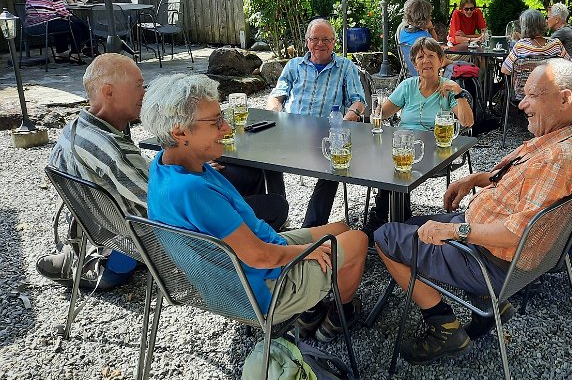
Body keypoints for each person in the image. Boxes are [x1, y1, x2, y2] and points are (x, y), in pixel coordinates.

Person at [374, 58, 572, 364]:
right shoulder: (564, 141)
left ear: (564, 98)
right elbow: (515, 179)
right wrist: (473, 179)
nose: (521, 104)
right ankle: (488, 306)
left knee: (385, 235)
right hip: (501, 250)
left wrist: (454, 231)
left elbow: (517, 233)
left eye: (532, 95)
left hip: (491, 262)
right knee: (413, 222)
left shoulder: (559, 157)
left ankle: (444, 327)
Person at [143, 74, 368, 341]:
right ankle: (339, 316)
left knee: (340, 228)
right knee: (358, 239)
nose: (226, 128)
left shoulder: (165, 165)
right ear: (179, 132)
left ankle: (313, 306)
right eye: (216, 122)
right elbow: (260, 257)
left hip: (246, 264)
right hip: (262, 289)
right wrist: (305, 252)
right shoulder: (191, 191)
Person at [39, 54, 290, 290]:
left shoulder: (75, 130)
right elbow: (160, 199)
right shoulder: (112, 152)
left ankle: (250, 238)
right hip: (150, 240)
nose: (144, 93)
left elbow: (136, 181)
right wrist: (194, 179)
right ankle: (256, 255)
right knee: (275, 206)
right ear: (108, 92)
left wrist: (192, 166)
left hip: (105, 231)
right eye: (139, 85)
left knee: (242, 174)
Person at [363, 37, 474, 237]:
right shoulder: (408, 86)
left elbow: (467, 122)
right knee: (390, 163)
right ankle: (400, 221)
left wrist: (458, 94)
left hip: (434, 150)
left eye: (431, 55)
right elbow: (382, 114)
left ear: (441, 61)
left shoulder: (448, 88)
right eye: (420, 57)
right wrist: (376, 107)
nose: (426, 61)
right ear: (414, 63)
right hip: (404, 145)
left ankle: (381, 219)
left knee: (396, 166)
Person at [266, 18, 366, 228]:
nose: (320, 44)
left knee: (337, 165)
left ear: (334, 42)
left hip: (327, 134)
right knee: (263, 157)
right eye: (315, 39)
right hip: (291, 131)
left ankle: (311, 228)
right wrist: (275, 113)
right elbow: (277, 95)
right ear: (307, 41)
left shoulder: (346, 67)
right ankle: (277, 216)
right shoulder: (294, 65)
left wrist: (346, 121)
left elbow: (359, 101)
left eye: (326, 39)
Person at [24, 0, 88, 62]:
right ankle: (75, 54)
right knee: (75, 27)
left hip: (31, 25)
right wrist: (70, 17)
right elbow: (62, 11)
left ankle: (60, 54)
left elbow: (27, 9)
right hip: (46, 24)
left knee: (62, 24)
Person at [501, 8, 569, 76]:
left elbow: (505, 70)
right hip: (551, 86)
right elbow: (569, 66)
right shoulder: (556, 44)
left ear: (524, 27)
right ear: (543, 24)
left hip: (526, 86)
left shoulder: (520, 46)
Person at [395, 0, 440, 75]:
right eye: (429, 15)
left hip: (413, 71)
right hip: (428, 72)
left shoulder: (403, 32)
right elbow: (438, 51)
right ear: (425, 17)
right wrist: (431, 29)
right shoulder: (425, 38)